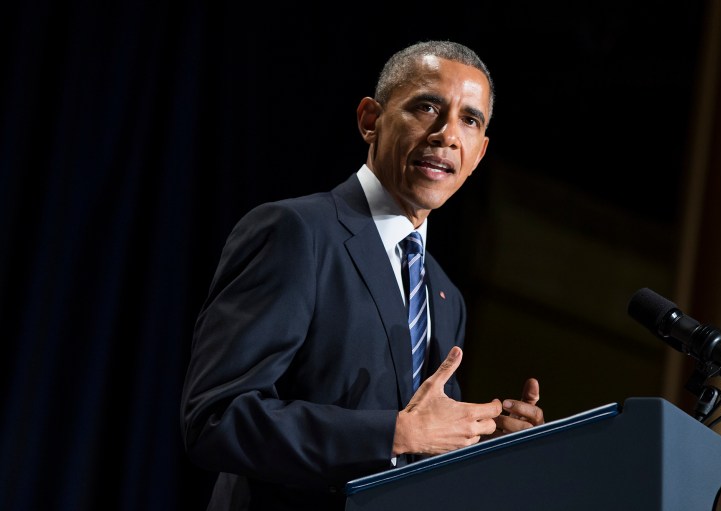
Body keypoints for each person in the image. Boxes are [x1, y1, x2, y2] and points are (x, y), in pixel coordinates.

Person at [180, 40, 545, 511]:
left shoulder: (445, 295)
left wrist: (482, 441)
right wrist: (395, 433)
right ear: (371, 120)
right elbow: (216, 419)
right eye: (427, 107)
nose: (447, 134)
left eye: (469, 120)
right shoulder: (298, 233)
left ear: (478, 154)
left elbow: (419, 454)